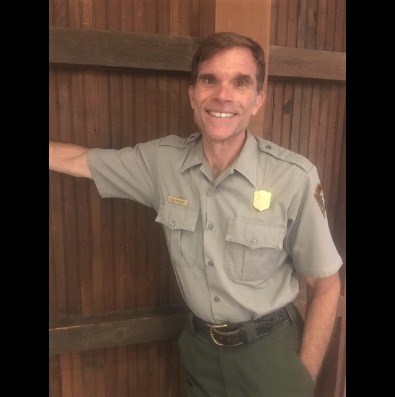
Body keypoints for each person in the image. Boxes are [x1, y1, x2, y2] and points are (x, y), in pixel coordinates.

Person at [49, 32, 342, 397]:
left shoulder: (293, 177)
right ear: (193, 94)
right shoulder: (163, 163)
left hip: (271, 356)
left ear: (257, 100)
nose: (223, 95)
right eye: (209, 79)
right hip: (200, 352)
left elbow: (326, 286)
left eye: (240, 82)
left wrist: (301, 377)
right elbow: (81, 160)